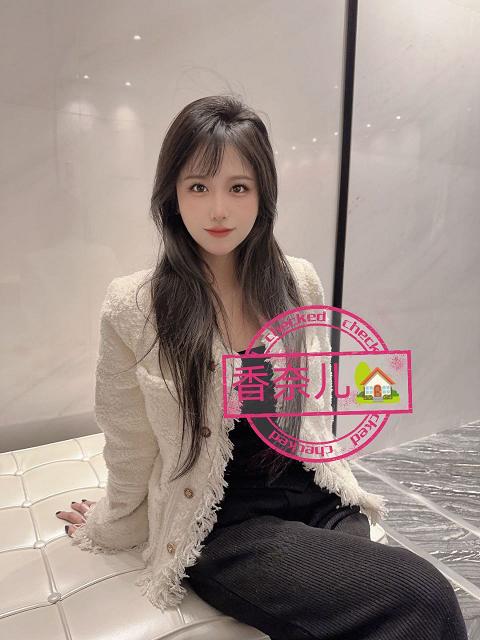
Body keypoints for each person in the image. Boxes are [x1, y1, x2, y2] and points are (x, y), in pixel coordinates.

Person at [55, 95, 468, 639]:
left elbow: (314, 400)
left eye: (238, 187)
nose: (218, 210)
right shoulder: (135, 305)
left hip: (315, 495)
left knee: (393, 607)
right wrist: (112, 520)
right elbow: (129, 441)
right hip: (226, 523)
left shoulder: (297, 281)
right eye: (198, 187)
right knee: (424, 594)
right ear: (172, 194)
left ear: (262, 194)